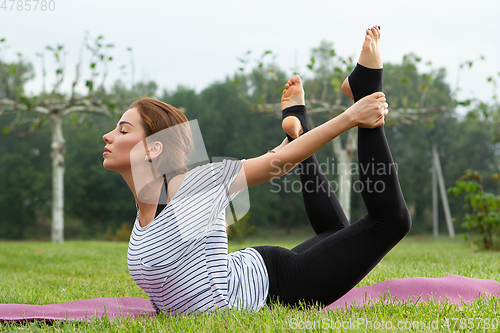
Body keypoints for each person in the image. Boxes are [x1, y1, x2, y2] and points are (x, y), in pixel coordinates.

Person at [101, 25, 411, 315]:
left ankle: (367, 88)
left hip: (278, 287)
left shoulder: (191, 187)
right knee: (338, 236)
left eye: (123, 130)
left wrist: (352, 116)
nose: (108, 136)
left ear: (154, 148)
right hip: (250, 269)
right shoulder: (147, 208)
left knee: (391, 221)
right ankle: (298, 125)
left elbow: (277, 165)